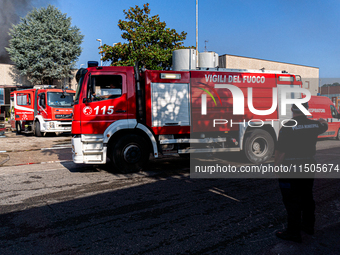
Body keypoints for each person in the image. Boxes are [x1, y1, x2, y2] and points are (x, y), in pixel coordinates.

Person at [274, 102, 328, 243]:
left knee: (292, 200)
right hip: (308, 164)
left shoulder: (287, 127)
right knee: (307, 196)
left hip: (291, 167)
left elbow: (281, 151)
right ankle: (308, 226)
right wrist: (321, 120)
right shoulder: (315, 125)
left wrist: (277, 168)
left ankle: (293, 233)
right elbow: (324, 124)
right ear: (307, 110)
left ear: (292, 109)